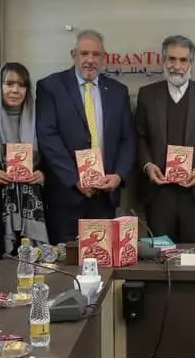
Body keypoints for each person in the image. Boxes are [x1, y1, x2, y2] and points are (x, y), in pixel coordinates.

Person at [36, 29, 135, 244]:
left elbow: (128, 138)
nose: (90, 60)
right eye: (84, 54)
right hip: (67, 195)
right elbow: (47, 137)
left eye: (96, 55)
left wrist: (118, 175)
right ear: (73, 55)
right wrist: (75, 179)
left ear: (104, 58)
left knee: (102, 262)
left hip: (105, 196)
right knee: (66, 264)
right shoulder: (51, 87)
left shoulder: (118, 91)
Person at [134, 35, 195, 243]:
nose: (176, 66)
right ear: (163, 61)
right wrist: (147, 166)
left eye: (183, 60)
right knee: (159, 259)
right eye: (171, 59)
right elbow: (140, 136)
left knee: (193, 260)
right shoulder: (147, 94)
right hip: (158, 193)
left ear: (191, 63)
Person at [0, 63, 48, 265]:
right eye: (9, 83)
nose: (15, 90)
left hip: (34, 209)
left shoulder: (40, 121)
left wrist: (43, 174)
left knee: (34, 272)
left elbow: (51, 158)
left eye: (21, 85)